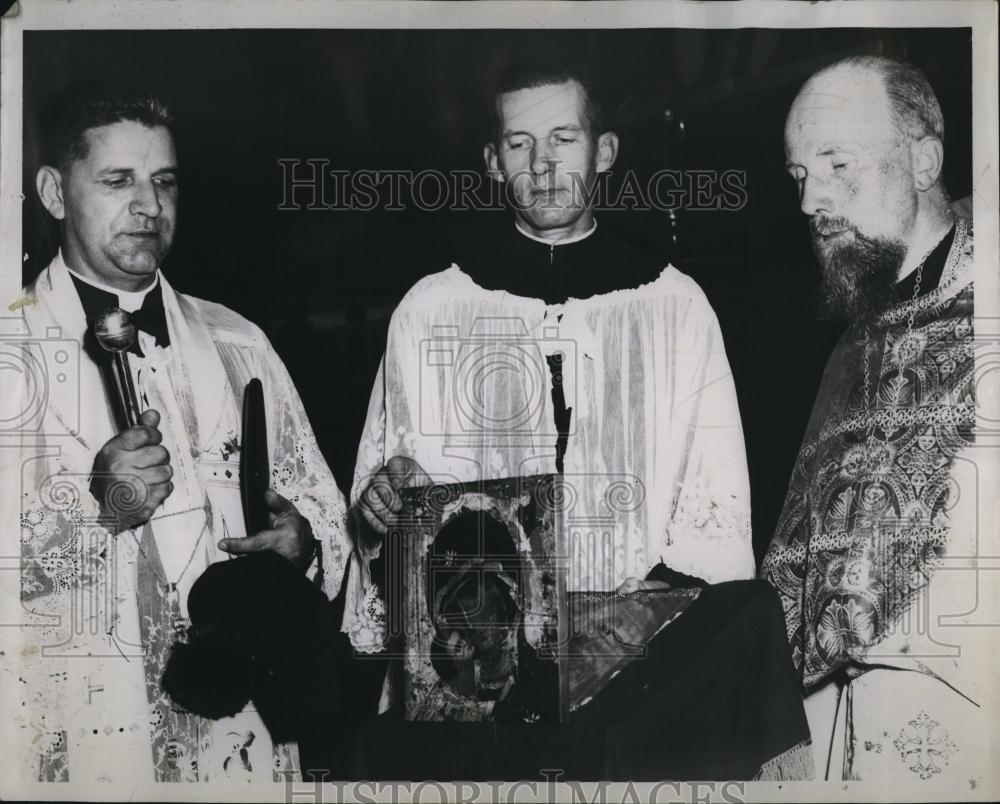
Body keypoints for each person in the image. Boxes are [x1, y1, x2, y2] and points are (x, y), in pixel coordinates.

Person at [347, 59, 755, 655]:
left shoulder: (674, 306)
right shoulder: (431, 309)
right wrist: (384, 507)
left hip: (637, 647)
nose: (543, 164)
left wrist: (647, 608)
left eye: (564, 139)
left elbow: (715, 497)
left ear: (605, 151)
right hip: (478, 654)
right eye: (520, 143)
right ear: (493, 163)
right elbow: (391, 497)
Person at [9, 81, 350, 785]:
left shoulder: (240, 344)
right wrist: (95, 514)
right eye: (117, 180)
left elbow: (322, 506)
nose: (148, 205)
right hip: (79, 735)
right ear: (52, 191)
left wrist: (305, 541)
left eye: (163, 181)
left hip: (239, 736)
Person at [761, 55, 985, 784]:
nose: (809, 203)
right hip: (829, 738)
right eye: (799, 177)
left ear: (924, 157)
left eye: (837, 165)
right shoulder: (848, 347)